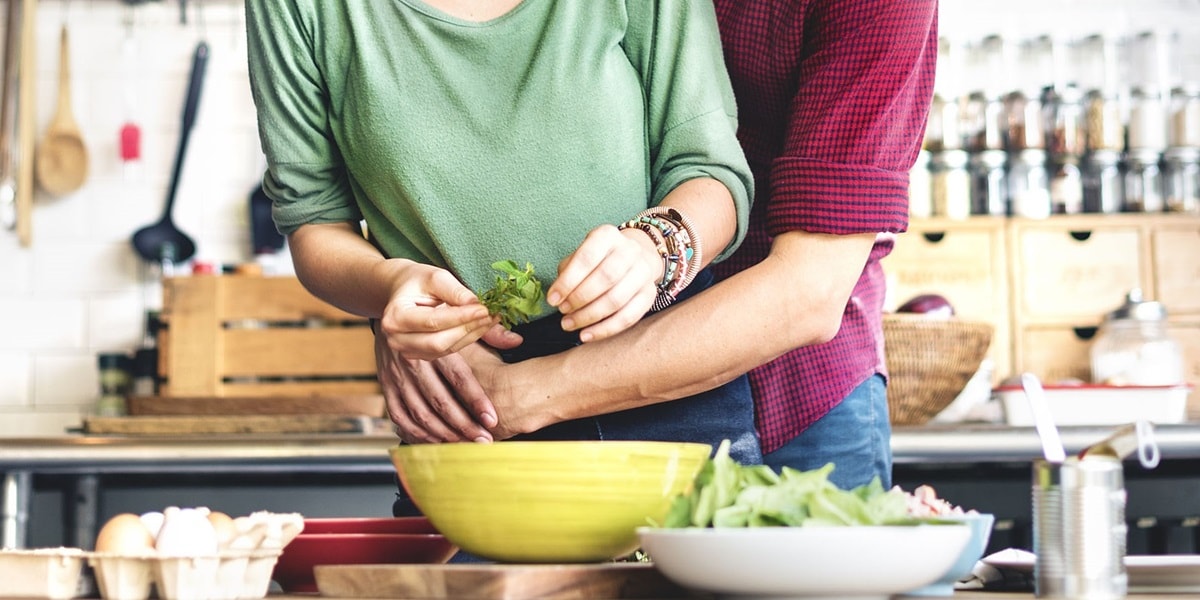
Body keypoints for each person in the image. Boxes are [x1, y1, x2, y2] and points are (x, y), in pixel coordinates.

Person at [374, 0, 940, 492]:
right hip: (548, 357)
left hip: (797, 393)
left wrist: (511, 396)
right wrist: (399, 312)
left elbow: (809, 292)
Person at [243, 0, 763, 471]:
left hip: (660, 381)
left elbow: (711, 174)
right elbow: (315, 223)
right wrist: (390, 285)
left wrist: (651, 250)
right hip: (466, 400)